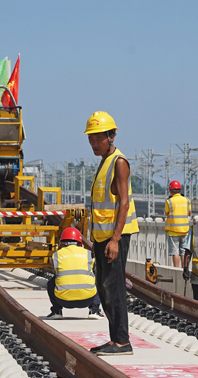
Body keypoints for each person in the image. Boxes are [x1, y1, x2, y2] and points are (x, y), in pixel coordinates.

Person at [84, 111, 139, 356]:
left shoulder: (118, 162)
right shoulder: (104, 162)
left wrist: (115, 239)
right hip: (102, 237)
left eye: (99, 139)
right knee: (103, 286)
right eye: (91, 139)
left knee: (114, 288)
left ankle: (122, 341)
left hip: (116, 236)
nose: (95, 144)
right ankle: (114, 338)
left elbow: (124, 203)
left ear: (111, 136)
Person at [45, 227, 103, 320]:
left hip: (63, 300)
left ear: (62, 243)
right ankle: (94, 310)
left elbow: (56, 273)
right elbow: (94, 270)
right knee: (98, 278)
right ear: (80, 243)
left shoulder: (56, 255)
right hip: (88, 299)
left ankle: (56, 311)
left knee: (52, 282)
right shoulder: (89, 254)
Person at [164, 180, 190, 268]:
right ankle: (184, 269)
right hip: (184, 231)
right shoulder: (187, 200)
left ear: (171, 191)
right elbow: (189, 213)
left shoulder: (169, 201)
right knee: (183, 252)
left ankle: (176, 270)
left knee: (175, 252)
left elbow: (166, 213)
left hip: (173, 231)